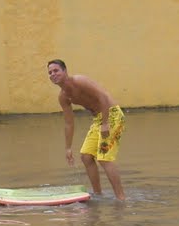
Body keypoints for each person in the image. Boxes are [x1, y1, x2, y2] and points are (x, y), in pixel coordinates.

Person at [46, 59, 126, 200]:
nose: (53, 74)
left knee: (104, 158)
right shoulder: (63, 97)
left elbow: (103, 97)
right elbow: (69, 123)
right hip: (98, 119)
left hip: (112, 114)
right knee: (86, 156)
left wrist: (105, 124)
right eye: (50, 72)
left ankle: (121, 199)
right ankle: (98, 195)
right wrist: (68, 148)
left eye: (56, 70)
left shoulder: (79, 81)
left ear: (65, 71)